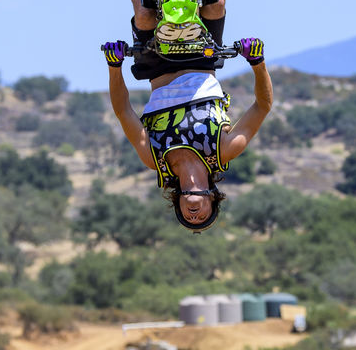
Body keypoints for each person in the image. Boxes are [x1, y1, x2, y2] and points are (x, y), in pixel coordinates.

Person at [103, 36, 272, 232]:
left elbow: (123, 111)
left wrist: (114, 66)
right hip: (201, 57)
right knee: (215, 6)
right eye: (203, 216)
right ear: (212, 199)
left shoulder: (156, 160)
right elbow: (262, 106)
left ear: (179, 205)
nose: (194, 215)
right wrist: (257, 61)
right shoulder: (223, 151)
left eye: (188, 218)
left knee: (144, 15)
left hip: (156, 61)